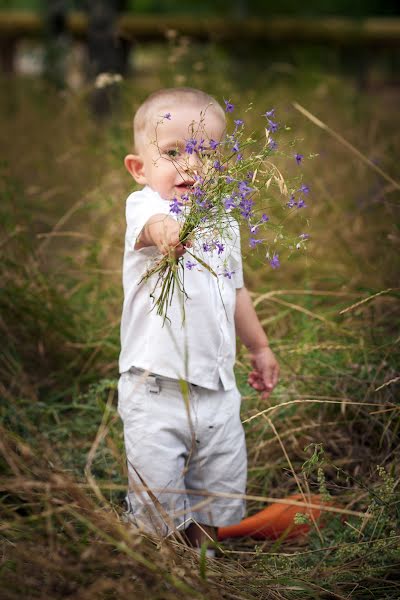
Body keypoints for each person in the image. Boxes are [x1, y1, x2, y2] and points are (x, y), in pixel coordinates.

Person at [119, 87, 279, 553]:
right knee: (157, 496)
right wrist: (169, 232)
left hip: (217, 388)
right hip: (155, 387)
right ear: (140, 167)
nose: (190, 166)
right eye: (172, 153)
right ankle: (163, 564)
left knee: (219, 490)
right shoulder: (146, 206)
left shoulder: (224, 221)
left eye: (205, 153)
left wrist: (260, 347)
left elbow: (235, 290)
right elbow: (152, 230)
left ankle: (206, 558)